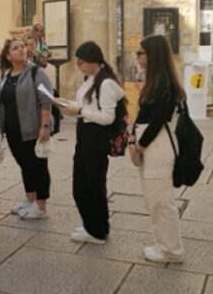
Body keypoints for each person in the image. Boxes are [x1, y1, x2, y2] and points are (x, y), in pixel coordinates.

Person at [59, 41, 125, 244]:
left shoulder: (106, 84)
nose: (78, 66)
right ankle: (93, 225)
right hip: (85, 136)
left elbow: (107, 117)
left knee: (92, 186)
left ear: (92, 60)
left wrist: (79, 111)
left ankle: (97, 231)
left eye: (80, 62)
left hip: (95, 138)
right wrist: (65, 103)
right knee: (82, 185)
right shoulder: (91, 79)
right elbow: (84, 105)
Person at [130, 35, 185, 263]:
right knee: (154, 199)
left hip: (158, 146)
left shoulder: (165, 84)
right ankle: (163, 245)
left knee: (161, 202)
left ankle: (171, 251)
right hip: (149, 144)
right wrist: (132, 138)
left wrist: (140, 146)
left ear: (152, 55)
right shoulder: (153, 81)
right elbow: (142, 115)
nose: (137, 57)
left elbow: (158, 120)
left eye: (140, 53)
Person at [0, 39, 52, 219]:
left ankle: (41, 206)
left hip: (33, 128)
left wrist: (44, 126)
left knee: (38, 167)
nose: (20, 50)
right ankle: (30, 200)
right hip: (13, 130)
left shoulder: (37, 72)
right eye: (15, 48)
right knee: (25, 166)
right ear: (8, 55)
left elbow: (46, 100)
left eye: (22, 47)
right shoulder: (6, 75)